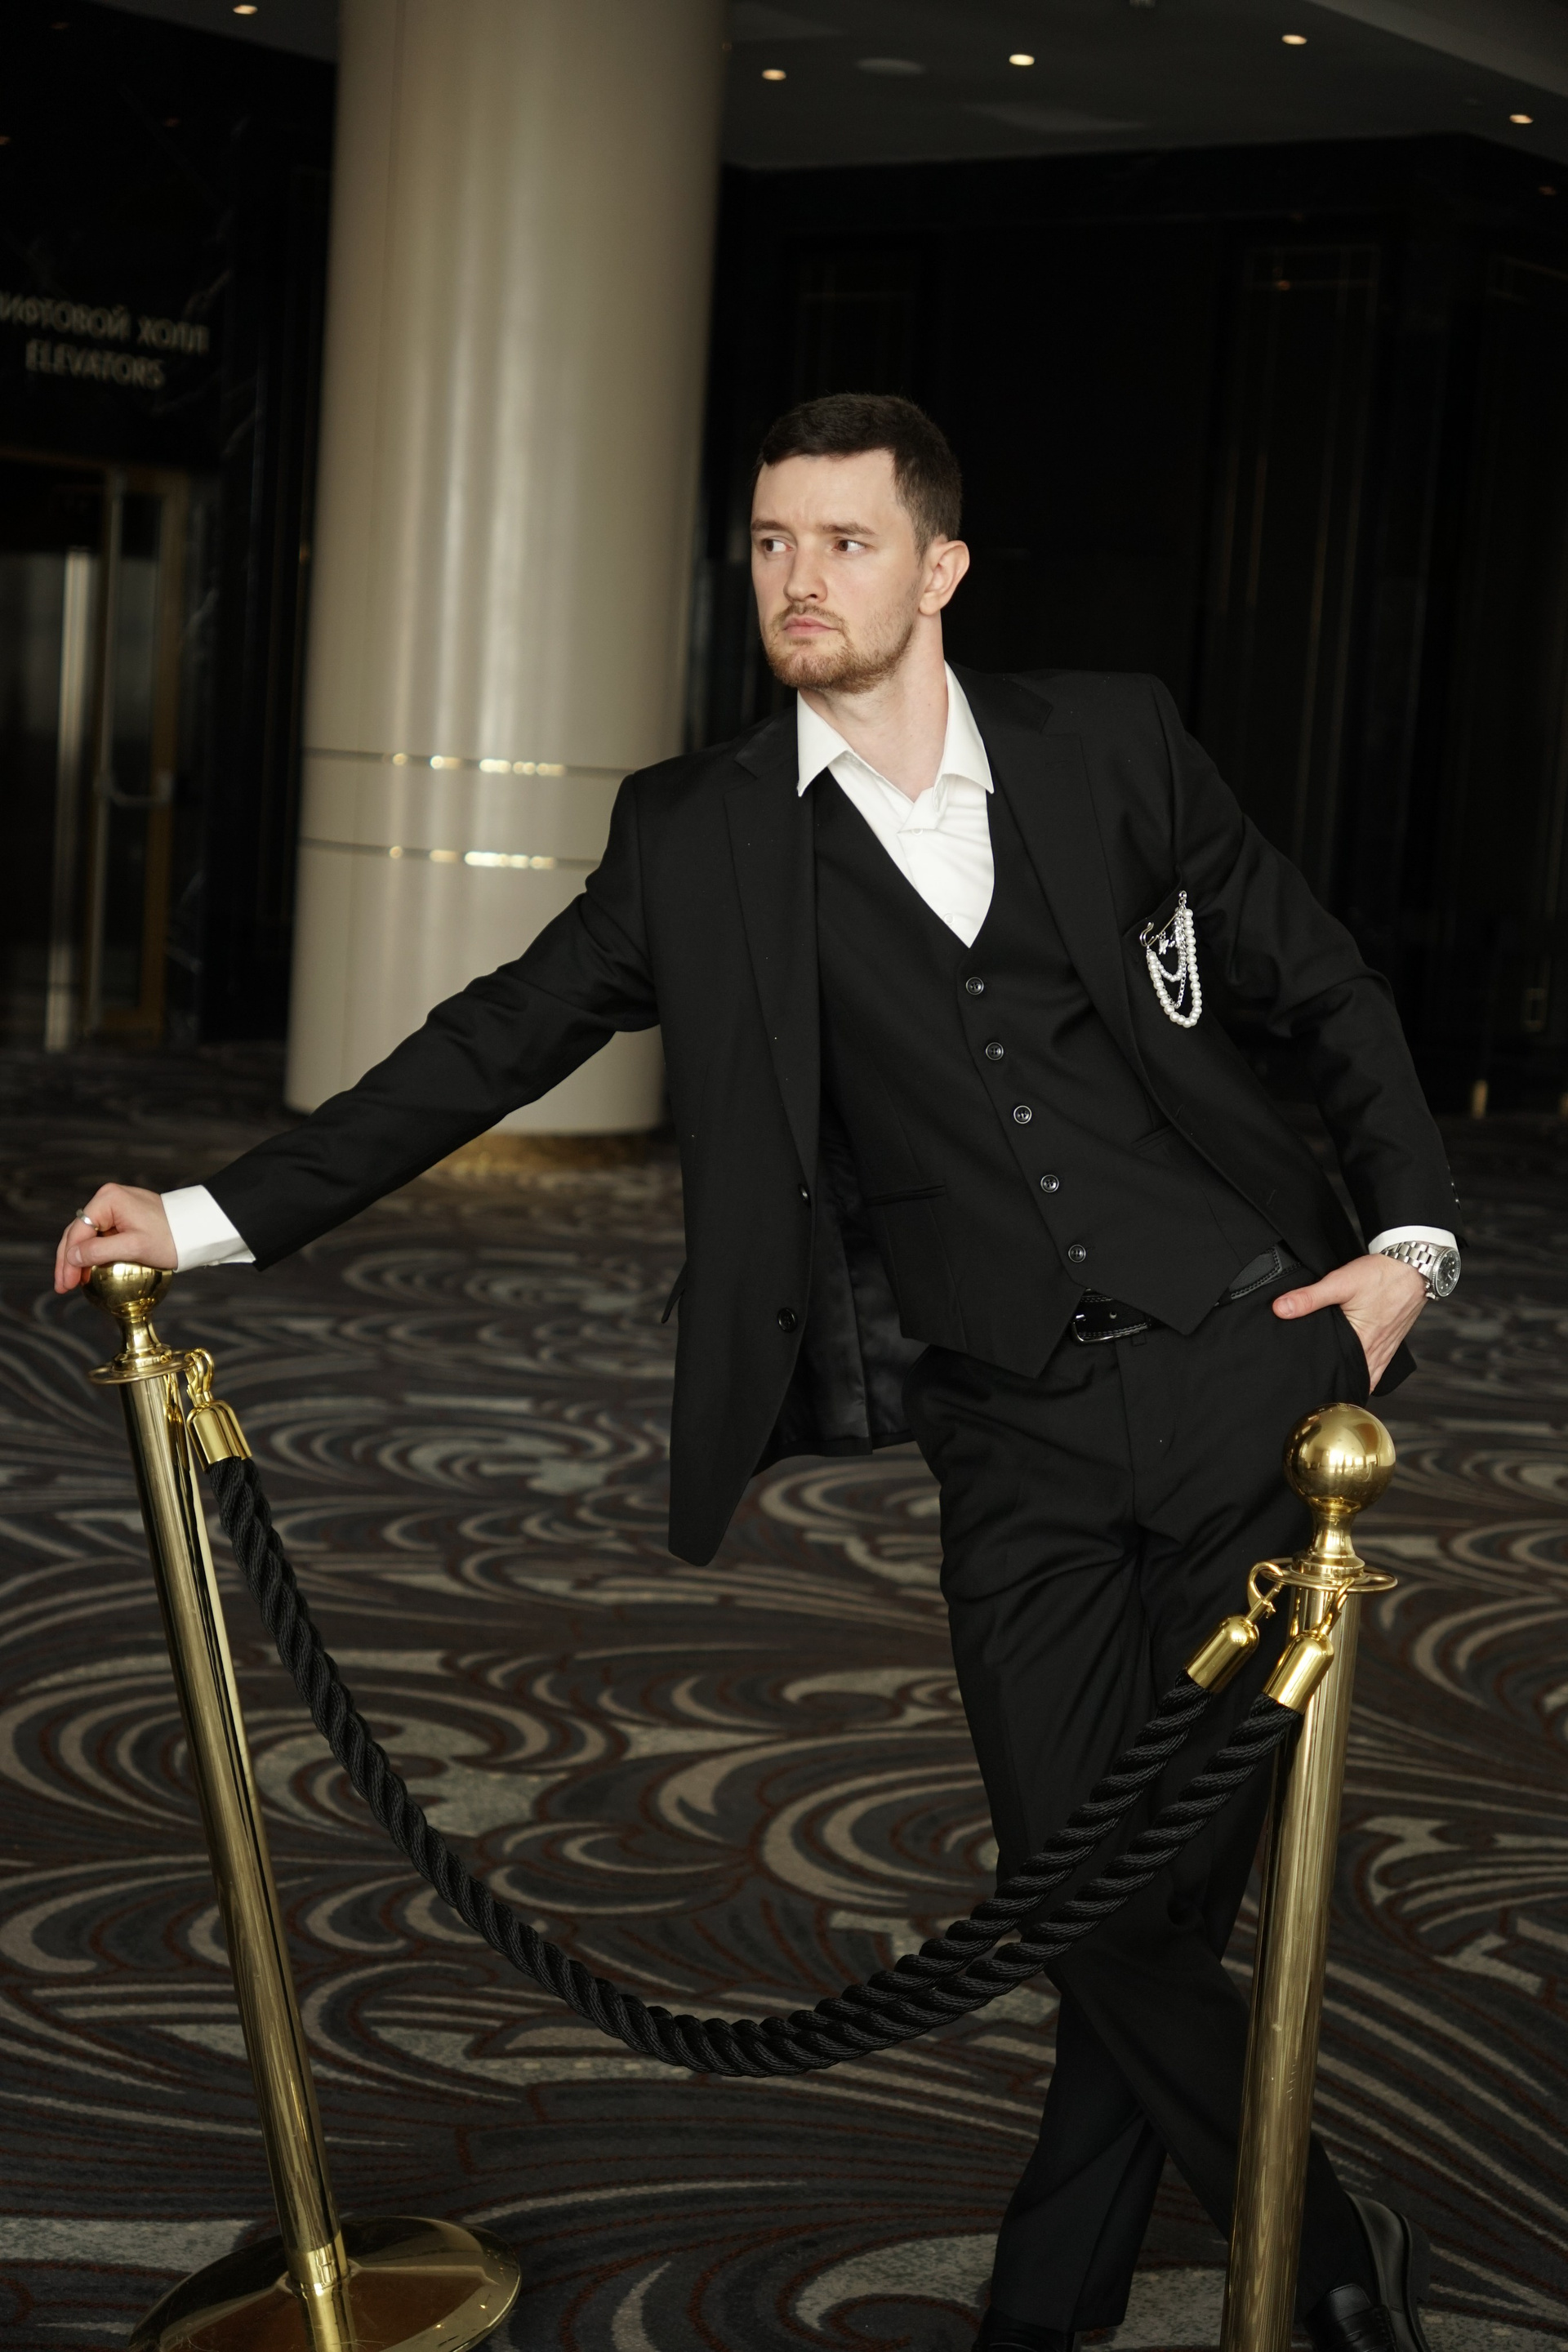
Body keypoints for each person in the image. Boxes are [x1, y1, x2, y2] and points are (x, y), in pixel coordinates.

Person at [57, 394, 1455, 2352]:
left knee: (1152, 1897)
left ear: (940, 567)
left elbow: (1321, 981)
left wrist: (1412, 1251)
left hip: (1253, 1376)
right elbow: (492, 1041)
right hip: (1012, 1433)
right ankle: (1316, 2233)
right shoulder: (699, 832)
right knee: (1087, 1887)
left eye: (846, 543)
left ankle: (1058, 2301)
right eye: (774, 543)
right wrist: (209, 1216)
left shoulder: (1112, 739)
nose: (800, 578)